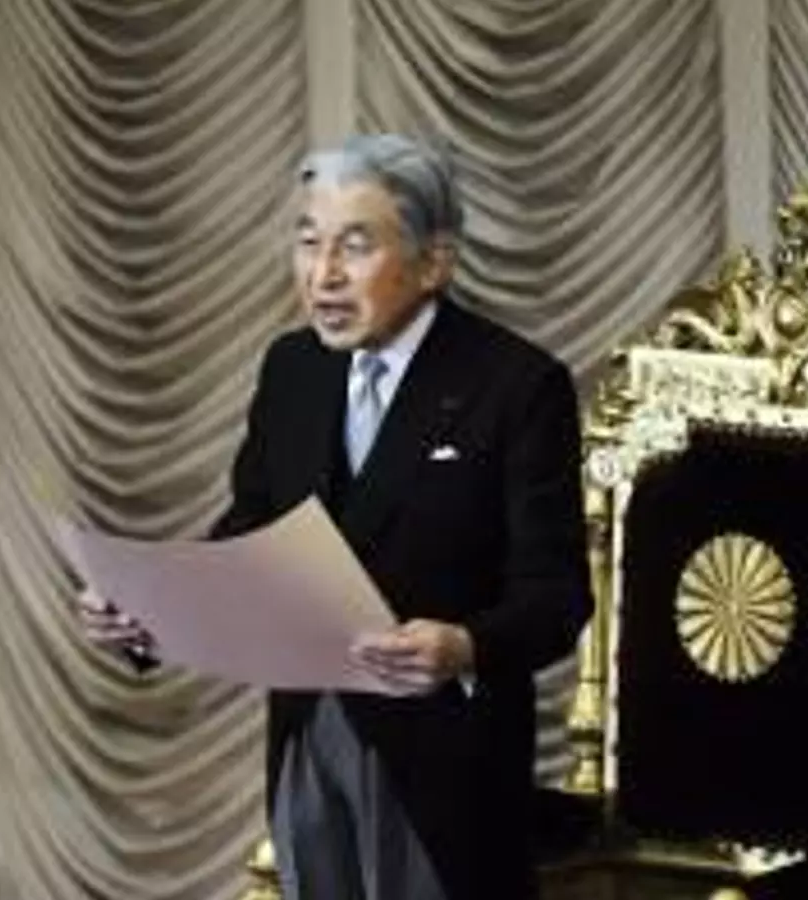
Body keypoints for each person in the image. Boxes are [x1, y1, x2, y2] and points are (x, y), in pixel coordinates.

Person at [78, 133, 593, 899]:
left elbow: (557, 597)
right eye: (308, 243)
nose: (323, 276)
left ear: (434, 262)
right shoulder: (294, 369)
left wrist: (464, 647)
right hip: (307, 741)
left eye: (355, 247)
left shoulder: (516, 386)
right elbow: (249, 537)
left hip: (443, 765)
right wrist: (150, 610)